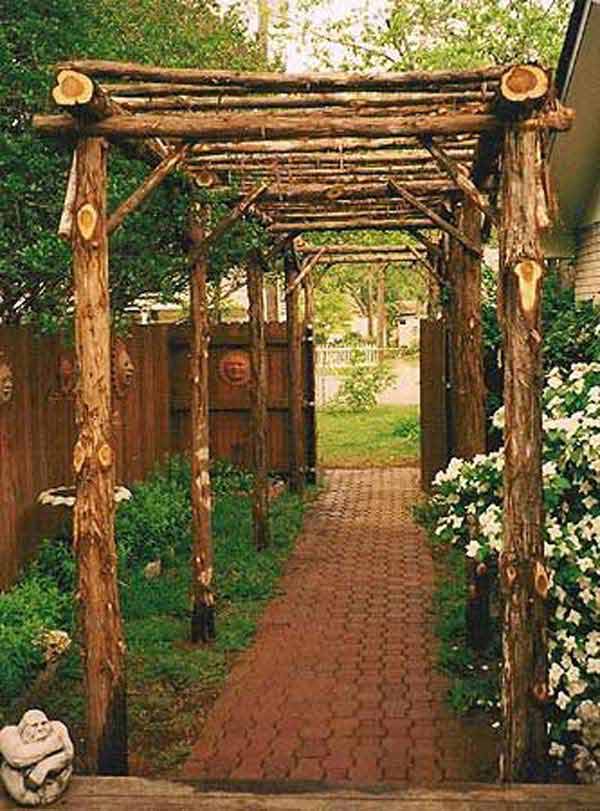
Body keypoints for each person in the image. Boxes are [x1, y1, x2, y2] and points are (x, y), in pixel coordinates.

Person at [0, 710, 74, 806]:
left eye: (44, 723)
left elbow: (69, 753)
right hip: (21, 778)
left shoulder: (58, 728)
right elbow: (16, 759)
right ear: (24, 728)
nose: (40, 728)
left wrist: (43, 767)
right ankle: (25, 796)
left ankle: (47, 792)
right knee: (8, 769)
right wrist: (52, 745)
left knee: (66, 767)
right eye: (34, 725)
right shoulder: (9, 734)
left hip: (51, 776)